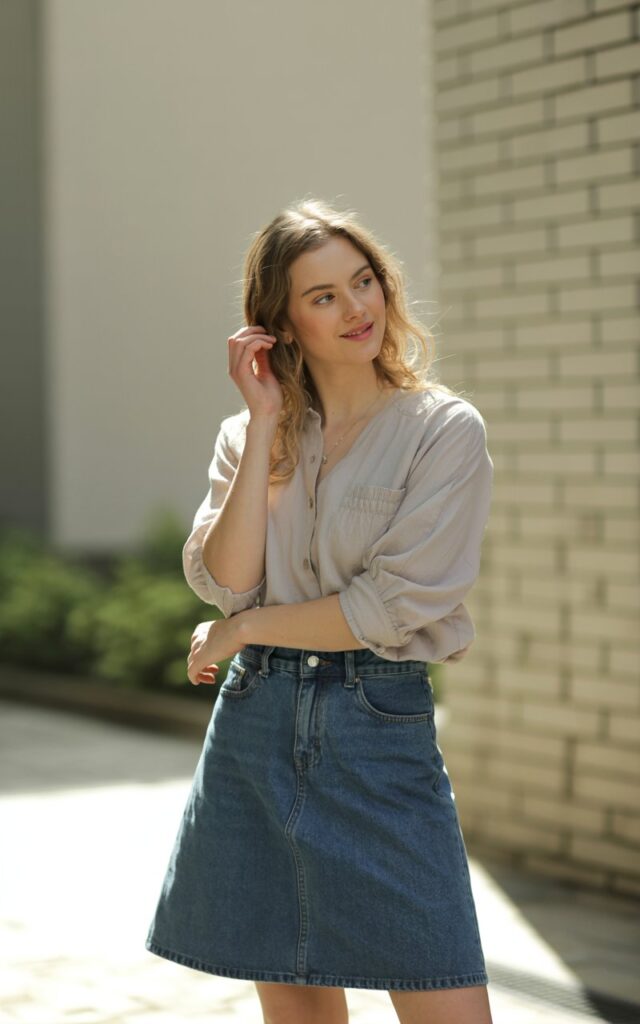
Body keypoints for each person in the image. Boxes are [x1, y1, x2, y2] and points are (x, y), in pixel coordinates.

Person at [145, 198, 494, 1024]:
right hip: (255, 726)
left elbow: (390, 607)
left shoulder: (441, 431)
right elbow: (226, 577)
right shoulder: (250, 435)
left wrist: (245, 629)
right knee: (293, 998)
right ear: (283, 322)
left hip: (377, 726)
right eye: (325, 295)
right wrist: (266, 420)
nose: (359, 308)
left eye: (364, 281)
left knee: (444, 995)